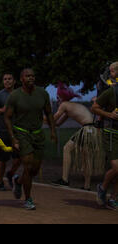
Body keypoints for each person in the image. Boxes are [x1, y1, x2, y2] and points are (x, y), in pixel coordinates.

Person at [4, 68, 57, 210]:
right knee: (27, 165)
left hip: (38, 134)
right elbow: (7, 117)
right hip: (22, 133)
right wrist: (13, 138)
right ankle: (28, 199)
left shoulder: (43, 94)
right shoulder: (15, 96)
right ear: (21, 79)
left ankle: (19, 181)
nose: (31, 78)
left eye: (33, 76)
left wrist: (53, 131)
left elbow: (49, 113)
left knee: (34, 170)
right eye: (27, 76)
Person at [51, 82, 104, 190]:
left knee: (67, 148)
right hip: (93, 130)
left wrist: (39, 117)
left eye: (57, 97)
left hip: (86, 129)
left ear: (61, 97)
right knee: (86, 157)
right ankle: (87, 186)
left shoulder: (64, 105)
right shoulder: (71, 106)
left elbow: (53, 119)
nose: (57, 100)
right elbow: (57, 124)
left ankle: (64, 180)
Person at [0, 73, 21, 190]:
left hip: (18, 131)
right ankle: (0, 181)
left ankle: (10, 174)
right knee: (2, 159)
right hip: (3, 131)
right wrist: (2, 110)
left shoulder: (19, 94)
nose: (7, 81)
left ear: (14, 81)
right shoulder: (0, 95)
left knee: (18, 158)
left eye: (10, 79)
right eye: (5, 79)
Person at [91, 79, 118, 210]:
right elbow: (94, 108)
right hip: (111, 133)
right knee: (117, 167)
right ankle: (102, 188)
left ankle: (113, 198)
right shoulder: (111, 92)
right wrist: (109, 114)